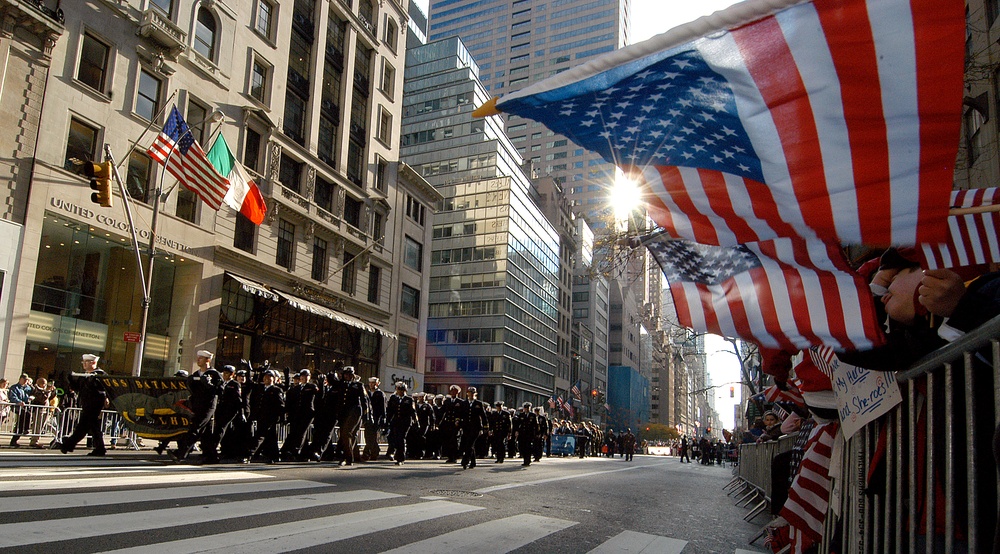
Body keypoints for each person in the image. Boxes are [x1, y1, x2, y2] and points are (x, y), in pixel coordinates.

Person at [172, 350, 222, 463]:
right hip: (198, 405)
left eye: (201, 358)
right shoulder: (195, 375)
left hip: (208, 406)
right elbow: (193, 391)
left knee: (196, 428)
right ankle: (211, 456)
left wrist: (210, 385)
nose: (198, 359)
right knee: (207, 432)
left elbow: (220, 391)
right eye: (198, 357)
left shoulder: (214, 374)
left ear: (208, 360)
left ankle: (181, 453)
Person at [60, 354, 109, 456]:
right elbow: (78, 388)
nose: (84, 364)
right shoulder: (84, 375)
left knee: (82, 426)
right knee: (93, 427)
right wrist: (70, 379)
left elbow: (105, 390)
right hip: (86, 404)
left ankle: (68, 445)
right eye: (83, 362)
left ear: (93, 363)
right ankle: (100, 449)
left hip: (94, 404)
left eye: (86, 362)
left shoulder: (100, 375)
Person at [202, 365, 242, 464]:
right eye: (223, 373)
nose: (224, 375)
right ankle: (223, 450)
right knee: (221, 430)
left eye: (227, 373)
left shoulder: (235, 384)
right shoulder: (220, 383)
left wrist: (240, 412)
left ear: (232, 374)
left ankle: (212, 451)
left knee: (220, 429)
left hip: (229, 411)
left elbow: (238, 400)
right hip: (220, 410)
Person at [245, 369, 284, 464]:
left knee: (260, 435)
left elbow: (281, 405)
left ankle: (249, 454)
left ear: (274, 379)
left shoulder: (276, 390)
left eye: (269, 376)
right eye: (265, 376)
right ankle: (274, 456)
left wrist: (281, 417)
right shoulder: (261, 388)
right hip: (261, 416)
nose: (266, 378)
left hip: (270, 417)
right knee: (271, 437)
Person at [336, 366, 370, 466]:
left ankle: (347, 458)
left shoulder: (359, 385)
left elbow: (364, 401)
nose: (347, 376)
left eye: (349, 374)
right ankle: (351, 456)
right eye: (346, 374)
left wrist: (366, 415)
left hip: (355, 412)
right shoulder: (341, 385)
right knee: (343, 435)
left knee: (348, 433)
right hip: (343, 412)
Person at [385, 381, 416, 465]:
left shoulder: (409, 399)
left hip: (405, 421)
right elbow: (389, 411)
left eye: (402, 389)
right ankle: (394, 453)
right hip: (395, 421)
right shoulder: (393, 398)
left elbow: (412, 411)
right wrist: (387, 421)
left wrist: (415, 421)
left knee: (401, 439)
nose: (400, 391)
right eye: (399, 389)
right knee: (394, 438)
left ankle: (400, 458)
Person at [459, 386, 489, 469]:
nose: (470, 395)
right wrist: (459, 423)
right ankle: (473, 462)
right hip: (466, 427)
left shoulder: (478, 404)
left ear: (475, 394)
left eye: (472, 393)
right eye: (469, 393)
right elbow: (461, 414)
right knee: (469, 444)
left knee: (469, 443)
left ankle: (465, 460)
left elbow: (483, 416)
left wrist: (485, 427)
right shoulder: (464, 403)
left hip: (475, 427)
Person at [28, 377, 57, 448]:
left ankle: (57, 435)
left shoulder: (44, 390)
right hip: (39, 410)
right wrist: (48, 391)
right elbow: (43, 398)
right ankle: (34, 441)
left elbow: (51, 397)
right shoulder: (36, 390)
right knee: (37, 426)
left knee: (43, 425)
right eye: (44, 384)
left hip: (45, 410)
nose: (45, 385)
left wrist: (53, 391)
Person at [363, 377, 386, 461]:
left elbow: (382, 408)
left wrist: (383, 418)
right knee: (368, 435)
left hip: (376, 417)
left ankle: (368, 453)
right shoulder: (367, 393)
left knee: (372, 435)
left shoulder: (380, 394)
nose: (371, 385)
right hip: (368, 417)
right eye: (370, 383)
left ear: (377, 384)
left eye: (373, 383)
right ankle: (375, 450)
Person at [439, 385, 463, 463]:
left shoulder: (460, 402)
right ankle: (449, 456)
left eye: (455, 392)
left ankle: (454, 457)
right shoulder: (447, 401)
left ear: (457, 392)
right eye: (452, 391)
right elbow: (442, 412)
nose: (453, 393)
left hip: (455, 424)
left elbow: (462, 413)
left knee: (454, 440)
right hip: (448, 423)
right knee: (448, 440)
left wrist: (459, 422)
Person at [8, 374, 33, 447]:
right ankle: (14, 440)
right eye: (24, 380)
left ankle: (25, 429)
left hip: (26, 407)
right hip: (18, 407)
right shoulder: (14, 388)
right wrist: (19, 402)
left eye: (27, 380)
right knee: (20, 424)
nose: (26, 381)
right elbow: (12, 397)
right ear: (20, 379)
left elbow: (34, 392)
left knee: (26, 418)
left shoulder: (28, 388)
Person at [514, 402, 538, 467]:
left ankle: (527, 460)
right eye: (525, 408)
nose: (526, 409)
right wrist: (517, 431)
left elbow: (535, 425)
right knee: (522, 447)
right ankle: (525, 459)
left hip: (529, 434)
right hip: (522, 434)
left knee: (528, 448)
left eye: (527, 408)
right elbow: (517, 424)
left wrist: (536, 434)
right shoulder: (521, 415)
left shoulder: (533, 415)